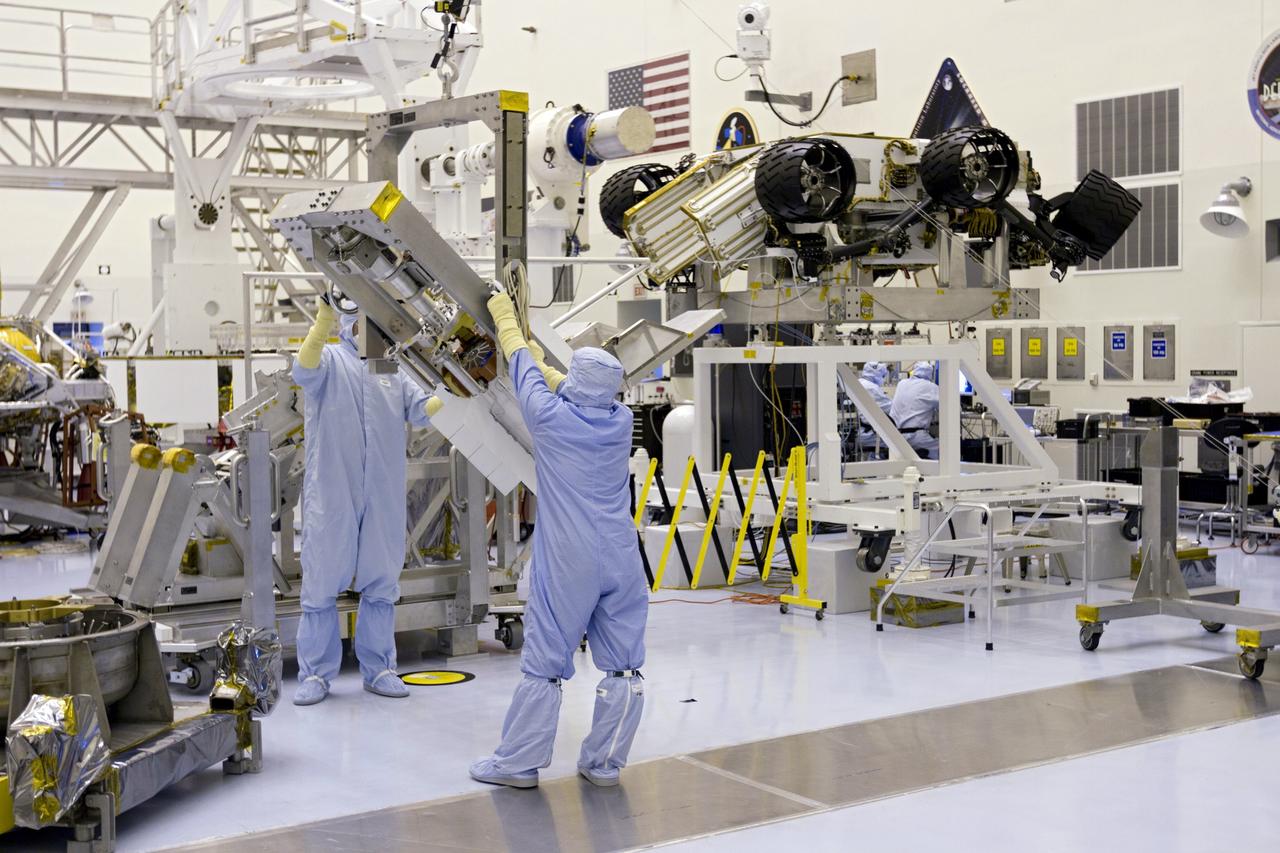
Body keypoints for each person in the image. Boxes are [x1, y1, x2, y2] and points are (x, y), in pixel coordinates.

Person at [468, 291, 648, 790]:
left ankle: (519, 763)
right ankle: (605, 765)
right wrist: (542, 359)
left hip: (569, 559)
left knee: (546, 664)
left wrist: (508, 318)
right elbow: (558, 382)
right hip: (620, 556)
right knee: (625, 667)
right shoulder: (620, 422)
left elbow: (520, 366)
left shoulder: (549, 419)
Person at [290, 300, 433, 706]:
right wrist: (321, 323)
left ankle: (380, 668)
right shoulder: (331, 360)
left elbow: (421, 410)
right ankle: (315, 674)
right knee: (322, 580)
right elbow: (303, 370)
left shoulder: (391, 369)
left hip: (382, 491)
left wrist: (452, 394)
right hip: (334, 490)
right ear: (351, 324)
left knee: (381, 577)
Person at [891, 361, 940, 460]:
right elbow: (950, 406)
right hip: (915, 438)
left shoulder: (902, 383)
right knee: (945, 449)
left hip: (897, 436)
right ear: (930, 374)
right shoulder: (930, 386)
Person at [855, 361, 892, 458]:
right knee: (899, 442)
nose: (883, 379)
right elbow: (889, 408)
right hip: (868, 434)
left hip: (860, 432)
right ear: (877, 374)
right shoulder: (871, 388)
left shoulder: (859, 383)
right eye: (883, 376)